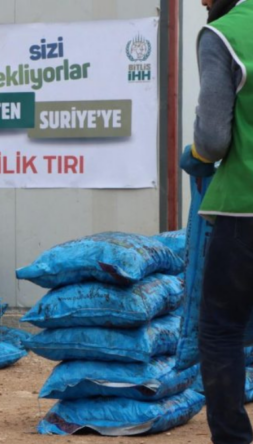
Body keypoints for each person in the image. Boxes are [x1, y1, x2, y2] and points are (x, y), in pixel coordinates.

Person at [180, 0, 252, 442]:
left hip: (243, 211)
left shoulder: (224, 35)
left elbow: (213, 136)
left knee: (220, 331)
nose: (202, 2)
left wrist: (201, 157)